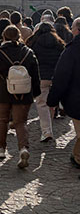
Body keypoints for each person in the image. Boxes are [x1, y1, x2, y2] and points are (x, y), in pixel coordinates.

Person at [0, 25, 41, 168]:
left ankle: (1, 148)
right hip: (23, 92)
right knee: (21, 122)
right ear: (19, 36)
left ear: (4, 37)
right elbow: (35, 75)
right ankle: (23, 148)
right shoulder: (28, 52)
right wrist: (35, 92)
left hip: (2, 92)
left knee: (1, 119)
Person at [47, 17, 80, 171]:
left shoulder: (72, 50)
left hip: (76, 99)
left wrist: (53, 100)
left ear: (77, 30)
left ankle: (77, 158)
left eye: (72, 27)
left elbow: (61, 76)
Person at [26, 22, 65, 142]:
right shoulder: (59, 44)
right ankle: (49, 127)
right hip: (55, 77)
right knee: (51, 104)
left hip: (41, 77)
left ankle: (46, 131)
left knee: (42, 104)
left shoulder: (34, 43)